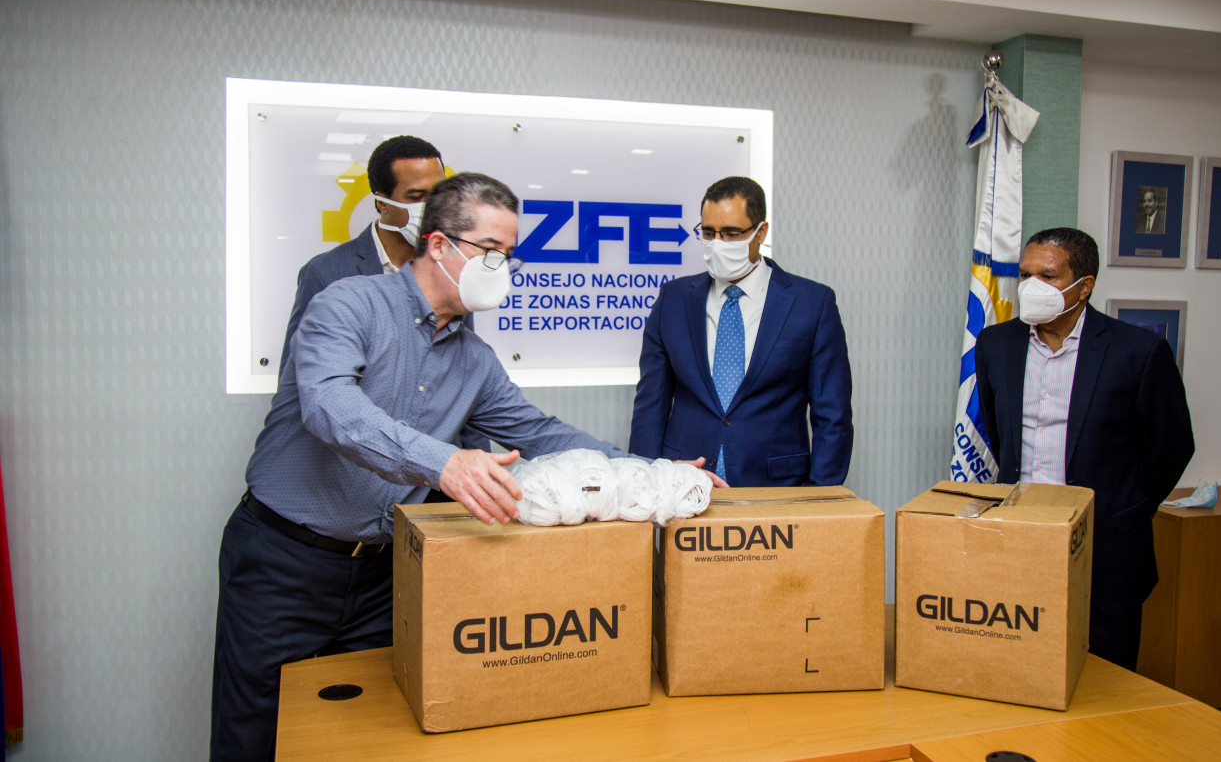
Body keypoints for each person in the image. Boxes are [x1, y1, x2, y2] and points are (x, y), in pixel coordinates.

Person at [211, 173, 713, 761]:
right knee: (256, 729)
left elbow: (542, 434)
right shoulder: (349, 304)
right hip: (284, 562)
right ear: (439, 245)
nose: (504, 268)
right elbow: (329, 406)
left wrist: (657, 471)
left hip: (384, 574)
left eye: (510, 255)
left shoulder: (475, 359)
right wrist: (444, 464)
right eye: (490, 250)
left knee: (373, 734)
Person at [973, 227, 1194, 670]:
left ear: (1084, 286)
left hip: (1106, 552)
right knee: (1019, 670)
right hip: (1021, 544)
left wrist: (1123, 508)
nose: (1031, 286)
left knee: (1106, 684)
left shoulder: (1138, 351)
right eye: (1025, 275)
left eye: (1047, 276)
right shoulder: (996, 344)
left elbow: (1171, 448)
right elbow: (999, 435)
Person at [629, 176, 853, 486]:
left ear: (761, 232)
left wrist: (819, 498)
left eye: (732, 234)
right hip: (684, 484)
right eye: (709, 233)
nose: (717, 244)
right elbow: (651, 405)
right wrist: (643, 484)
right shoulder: (673, 299)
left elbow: (832, 416)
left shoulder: (812, 304)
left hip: (777, 488)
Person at [279, 135, 488, 456]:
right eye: (416, 197)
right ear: (382, 202)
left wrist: (480, 464)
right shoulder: (326, 274)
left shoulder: (454, 272)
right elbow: (302, 389)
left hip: (440, 466)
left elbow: (466, 380)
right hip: (358, 463)